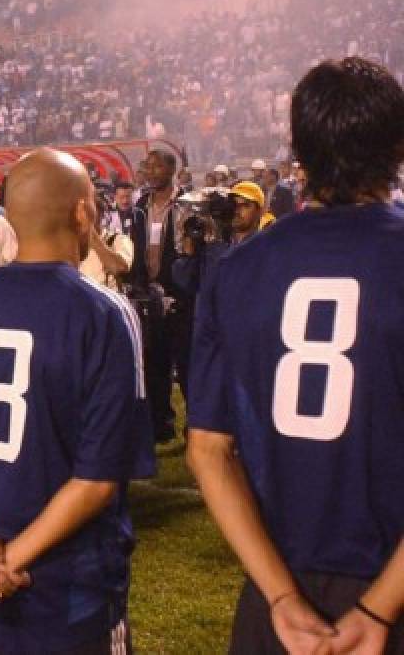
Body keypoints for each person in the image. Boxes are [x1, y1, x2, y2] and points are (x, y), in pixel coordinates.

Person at [188, 58, 404, 653]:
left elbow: (208, 451)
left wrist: (281, 596)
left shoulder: (238, 269)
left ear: (298, 151)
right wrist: (379, 610)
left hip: (279, 591)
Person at [0, 148, 153, 653]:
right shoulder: (104, 314)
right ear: (82, 212)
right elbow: (98, 478)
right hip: (69, 588)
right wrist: (13, 559)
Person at [129, 150, 189, 443]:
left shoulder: (186, 205)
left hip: (180, 297)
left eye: (156, 166)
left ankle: (198, 428)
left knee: (187, 365)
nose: (150, 171)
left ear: (171, 169)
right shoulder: (141, 206)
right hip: (149, 297)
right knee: (154, 363)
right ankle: (160, 425)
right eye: (147, 165)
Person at [81, 193, 134, 292]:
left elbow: (119, 268)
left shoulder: (118, 239)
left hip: (107, 302)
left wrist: (91, 235)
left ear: (102, 214)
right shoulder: (72, 243)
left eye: (89, 211)